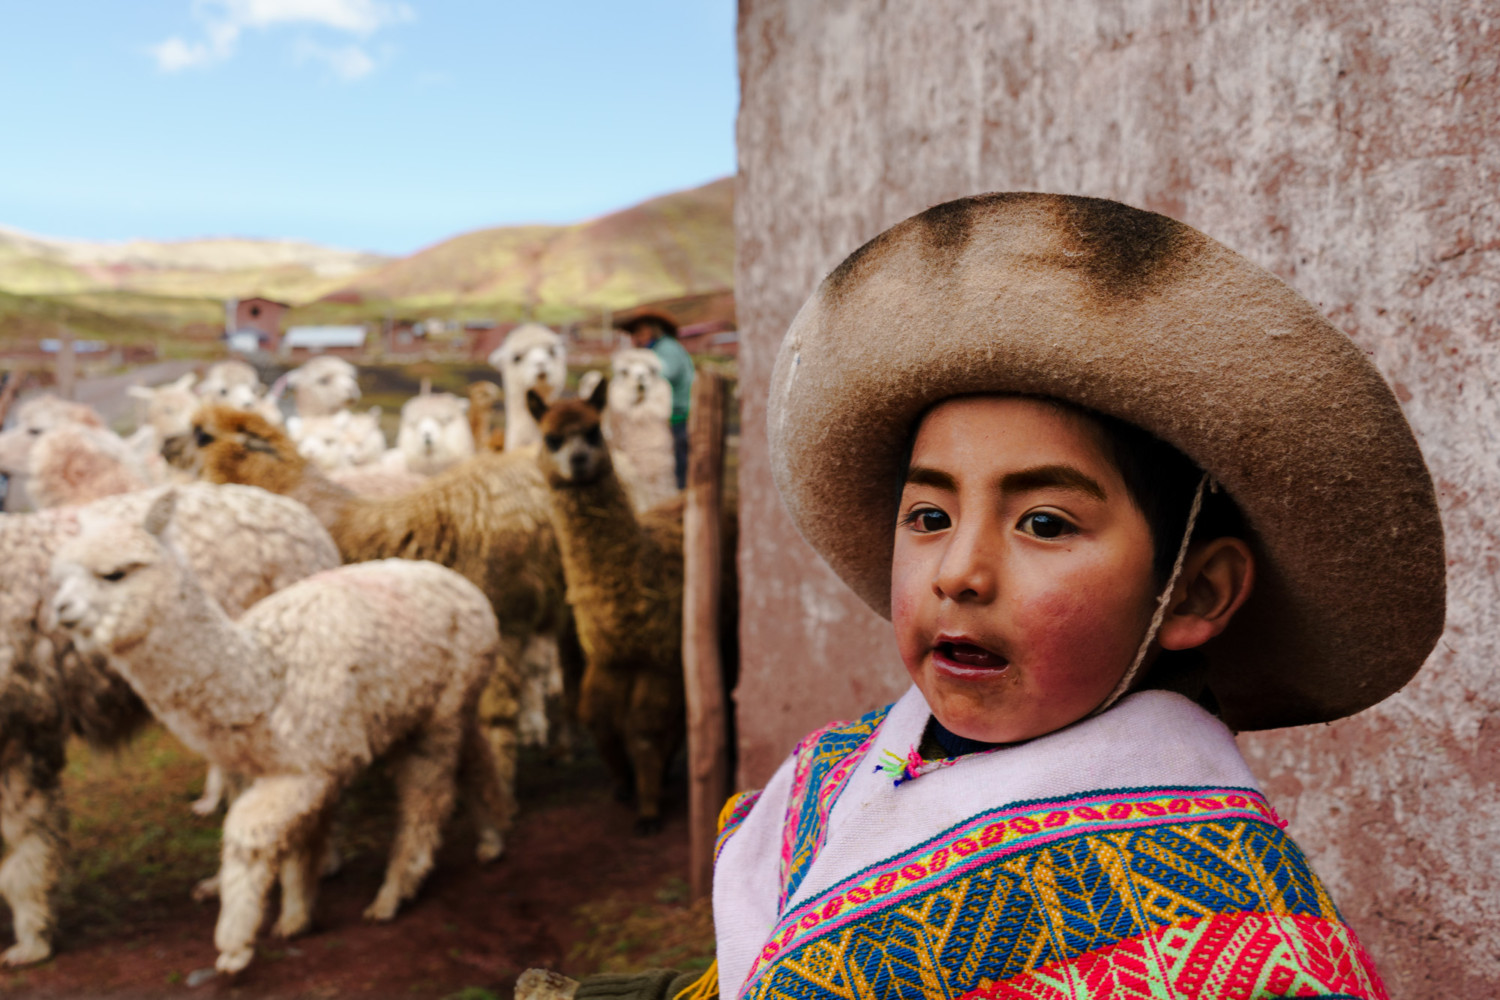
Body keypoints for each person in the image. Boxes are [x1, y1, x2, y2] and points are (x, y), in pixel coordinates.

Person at [543, 194, 1442, 1000]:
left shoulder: (1242, 939)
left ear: (1193, 590)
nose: (959, 572)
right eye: (928, 514)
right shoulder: (844, 769)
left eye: (1045, 524)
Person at [622, 313, 695, 488]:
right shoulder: (655, 351)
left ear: (653, 329)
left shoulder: (666, 349)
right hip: (669, 415)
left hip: (679, 413)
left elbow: (663, 374)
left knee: (680, 460)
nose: (638, 336)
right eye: (635, 333)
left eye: (641, 330)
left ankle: (682, 493)